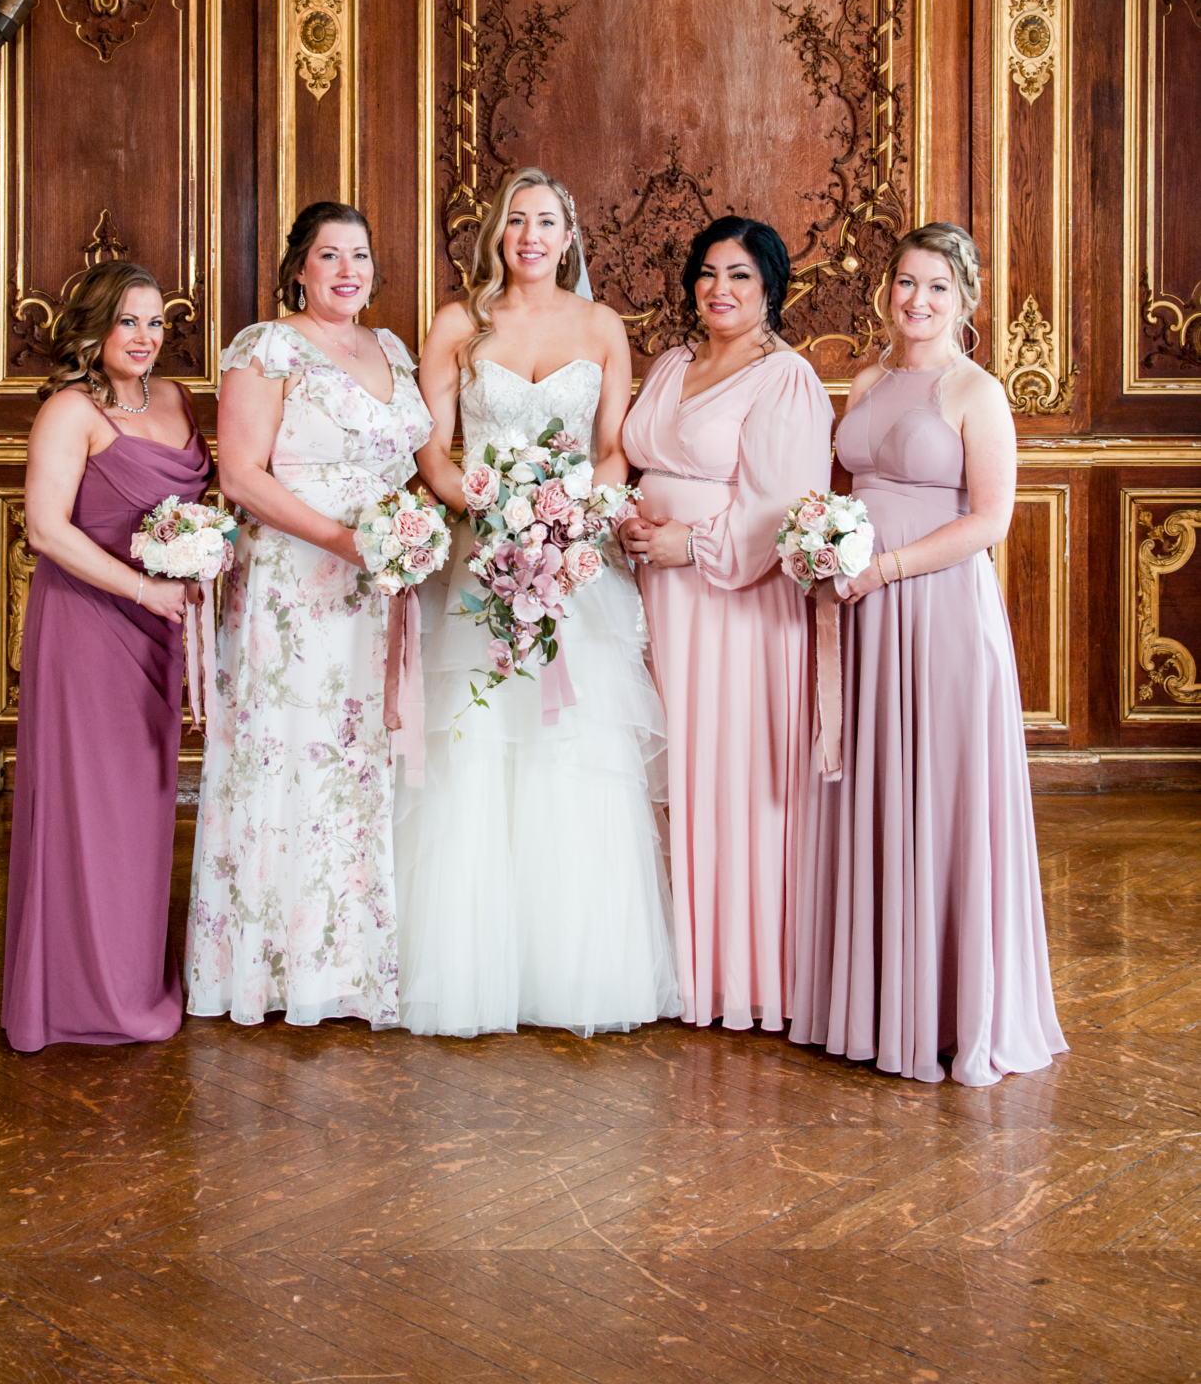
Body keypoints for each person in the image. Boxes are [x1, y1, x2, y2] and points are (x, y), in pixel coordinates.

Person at [394, 165, 681, 1038]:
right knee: (479, 741)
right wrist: (481, 507)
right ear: (497, 233)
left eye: (546, 221)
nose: (530, 236)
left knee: (571, 748)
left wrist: (568, 523)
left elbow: (613, 450)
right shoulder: (458, 322)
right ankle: (471, 969)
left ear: (567, 238)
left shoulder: (601, 326)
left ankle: (575, 967)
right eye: (516, 220)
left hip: (572, 562)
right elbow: (431, 448)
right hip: (481, 555)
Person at [789, 223, 1067, 1086]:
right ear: (888, 290)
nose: (917, 299)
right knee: (875, 788)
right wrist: (823, 546)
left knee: (939, 795)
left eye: (937, 286)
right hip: (862, 611)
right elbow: (844, 488)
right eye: (906, 282)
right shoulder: (868, 380)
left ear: (965, 299)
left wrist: (885, 569)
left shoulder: (976, 392)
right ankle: (876, 1006)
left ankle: (947, 1012)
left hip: (937, 611)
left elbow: (989, 521)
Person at [185, 202, 434, 1028]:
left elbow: (409, 464)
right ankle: (271, 969)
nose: (346, 270)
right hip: (294, 587)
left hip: (373, 588)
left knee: (358, 763)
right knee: (290, 755)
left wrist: (405, 536)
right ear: (298, 268)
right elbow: (241, 476)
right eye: (329, 255)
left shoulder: (390, 348)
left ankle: (349, 966)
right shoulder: (266, 347)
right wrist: (342, 540)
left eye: (358, 255)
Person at [620, 218, 833, 1032]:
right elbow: (641, 462)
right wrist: (628, 521)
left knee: (728, 772)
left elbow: (783, 505)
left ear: (769, 286)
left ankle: (738, 972)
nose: (719, 289)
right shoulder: (672, 362)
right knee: (667, 766)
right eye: (708, 273)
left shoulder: (785, 378)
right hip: (657, 598)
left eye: (739, 275)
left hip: (733, 604)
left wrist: (691, 543)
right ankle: (670, 962)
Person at [2, 260, 210, 1052]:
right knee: (87, 808)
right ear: (94, 329)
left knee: (142, 812)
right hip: (90, 624)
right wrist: (142, 589)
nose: (145, 337)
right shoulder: (70, 410)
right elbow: (46, 529)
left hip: (160, 627)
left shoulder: (175, 398)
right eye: (128, 321)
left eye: (155, 321)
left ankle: (131, 981)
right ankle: (73, 999)